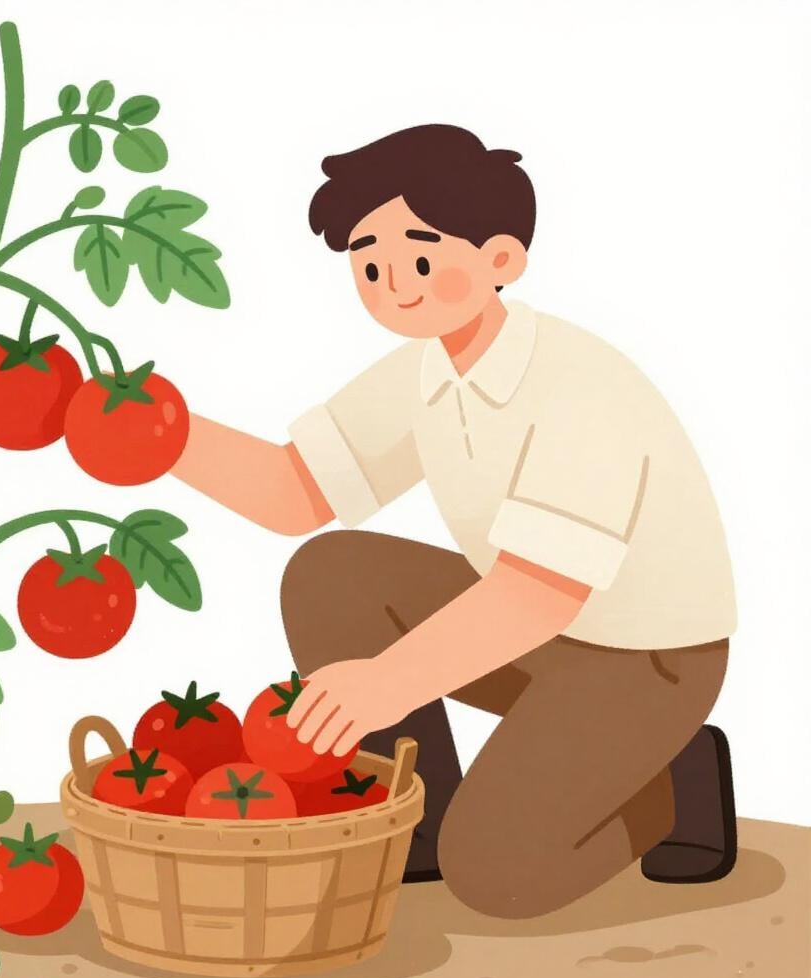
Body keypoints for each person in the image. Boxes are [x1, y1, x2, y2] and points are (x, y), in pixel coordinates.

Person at [170, 124, 737, 919]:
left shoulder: (580, 387)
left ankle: (670, 786)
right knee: (332, 574)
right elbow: (295, 490)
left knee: (501, 872)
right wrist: (156, 433)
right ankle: (421, 818)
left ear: (502, 259)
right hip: (542, 636)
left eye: (421, 257)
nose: (392, 282)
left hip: (646, 660)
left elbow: (541, 594)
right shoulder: (424, 369)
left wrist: (387, 682)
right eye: (369, 263)